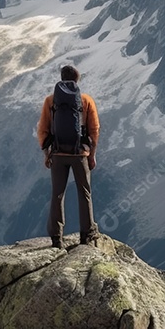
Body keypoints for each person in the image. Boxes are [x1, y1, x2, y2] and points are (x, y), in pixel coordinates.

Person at [36, 65, 100, 248]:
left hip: (57, 154)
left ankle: (57, 238)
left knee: (57, 194)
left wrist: (47, 153)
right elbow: (94, 129)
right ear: (77, 80)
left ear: (61, 78)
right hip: (80, 154)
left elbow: (42, 130)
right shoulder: (86, 100)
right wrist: (92, 155)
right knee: (84, 193)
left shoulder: (50, 101)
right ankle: (87, 235)